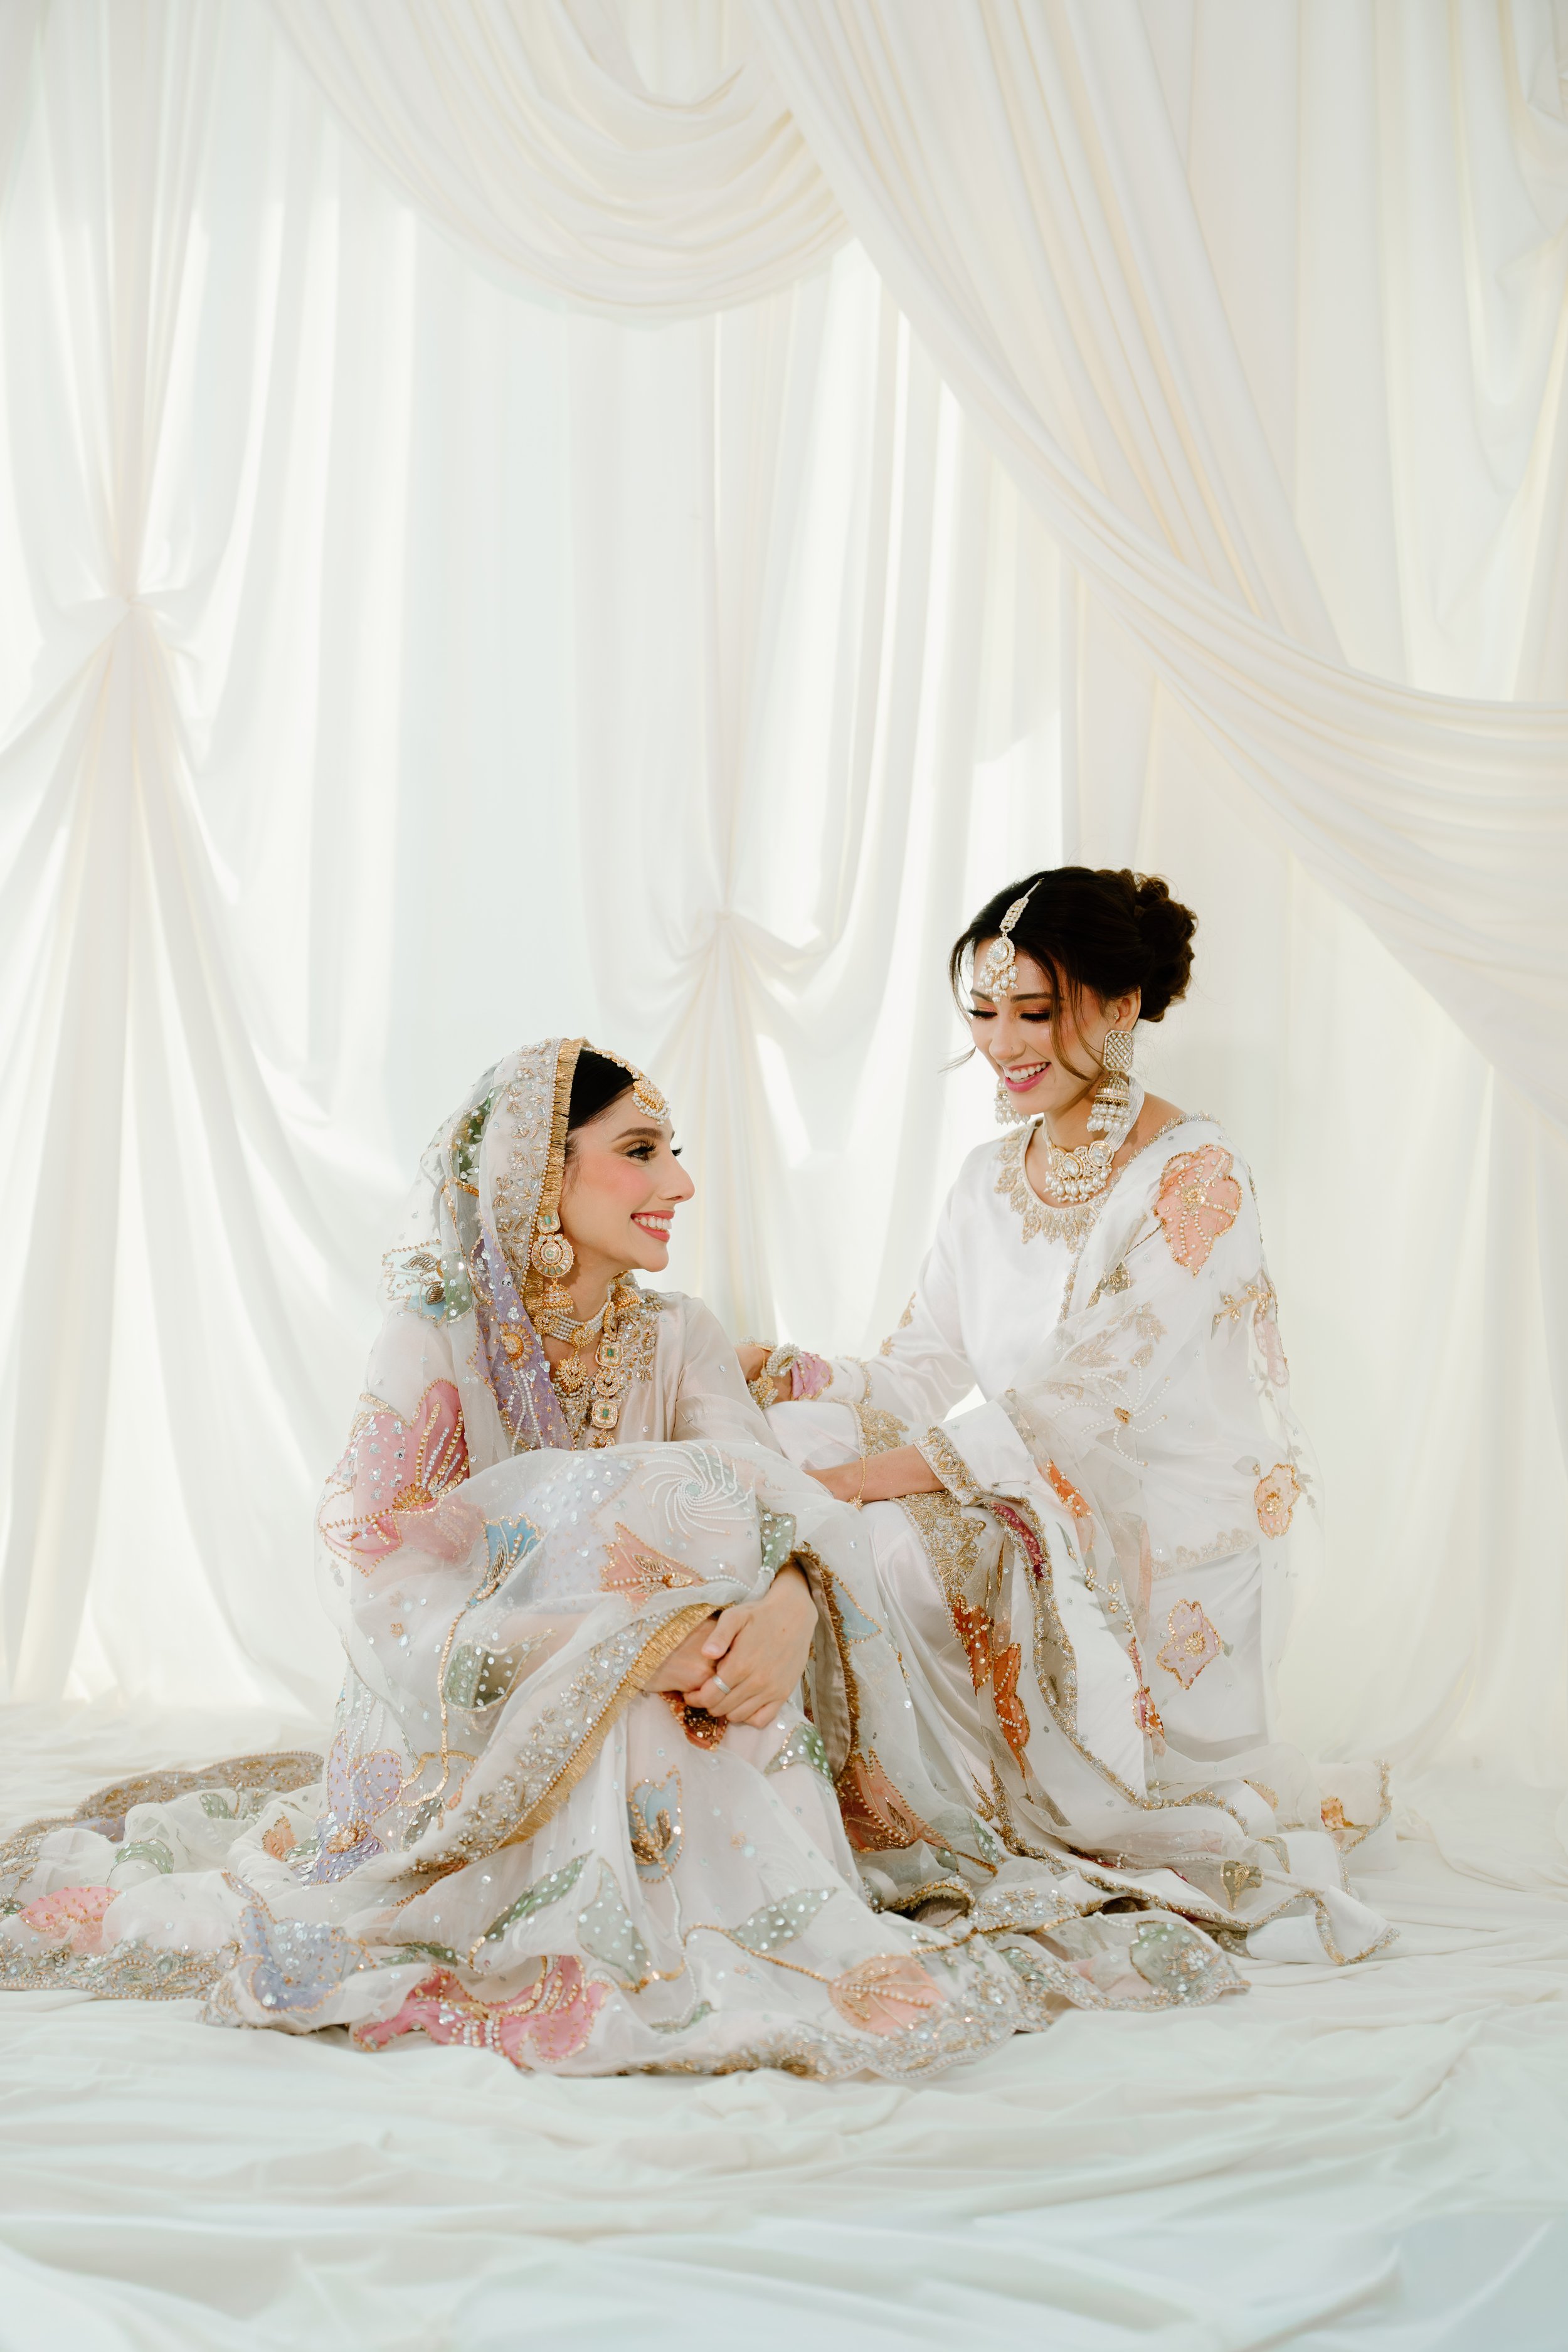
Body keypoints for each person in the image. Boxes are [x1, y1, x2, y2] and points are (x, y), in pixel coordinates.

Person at [3, 1034, 1290, 2080]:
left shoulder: (678, 1334)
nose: (676, 1184)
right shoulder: (433, 1339)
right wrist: (616, 1643)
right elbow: (382, 1568)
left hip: (712, 1698)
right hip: (488, 1721)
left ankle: (720, 1900)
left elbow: (766, 1501)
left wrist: (786, 1608)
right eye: (637, 1153)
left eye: (673, 1152)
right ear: (535, 1176)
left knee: (695, 1519)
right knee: (635, 1534)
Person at [745, 869, 1392, 1968]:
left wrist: (866, 1481)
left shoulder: (1193, 1176)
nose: (1003, 1045)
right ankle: (825, 1809)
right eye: (984, 1014)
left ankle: (929, 1810)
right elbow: (916, 1368)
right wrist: (792, 1382)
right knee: (789, 1454)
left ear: (1121, 1004)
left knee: (883, 1539)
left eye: (1034, 1012)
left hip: (1153, 1539)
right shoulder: (987, 1176)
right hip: (1021, 1487)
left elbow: (1073, 1406)